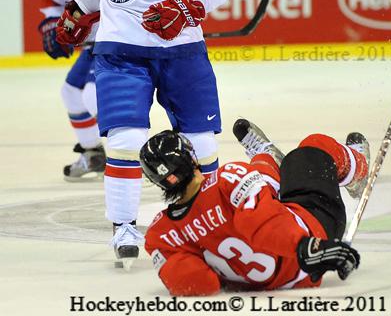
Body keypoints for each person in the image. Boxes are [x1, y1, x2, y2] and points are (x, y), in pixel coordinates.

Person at [56, 0, 234, 267]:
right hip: (120, 51)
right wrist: (80, 9)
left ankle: (206, 222)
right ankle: (123, 226)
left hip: (181, 52)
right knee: (124, 140)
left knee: (204, 146)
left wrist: (187, 6)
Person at [141, 118, 369, 296]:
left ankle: (267, 157)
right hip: (313, 229)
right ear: (192, 159)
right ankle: (357, 169)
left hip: (280, 279)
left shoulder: (160, 234)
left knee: (258, 185)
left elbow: (198, 284)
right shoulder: (226, 179)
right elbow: (262, 223)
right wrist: (306, 248)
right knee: (313, 147)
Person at [38, 0, 106, 181]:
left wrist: (75, 26)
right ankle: (93, 154)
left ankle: (125, 156)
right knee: (70, 93)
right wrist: (53, 28)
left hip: (108, 37)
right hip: (89, 42)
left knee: (92, 96)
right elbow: (52, 2)